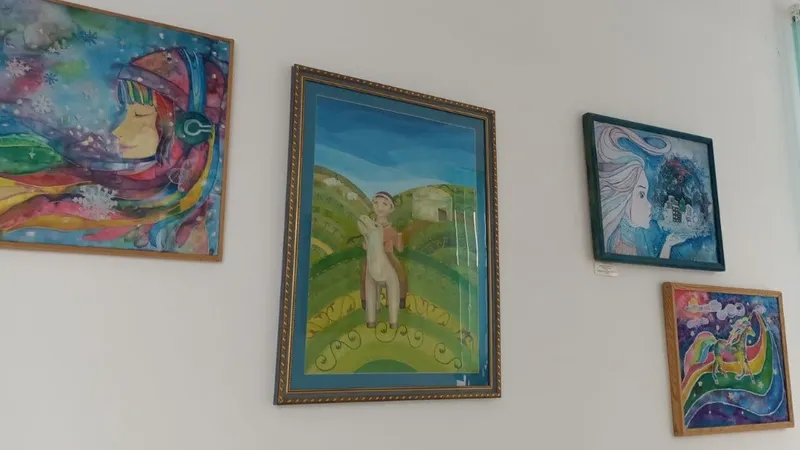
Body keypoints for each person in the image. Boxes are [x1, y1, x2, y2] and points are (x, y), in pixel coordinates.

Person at [0, 48, 227, 254]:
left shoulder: (187, 230)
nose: (119, 131)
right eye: (127, 115)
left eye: (140, 116)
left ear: (188, 130)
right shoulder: (117, 181)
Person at [596, 124, 686, 259]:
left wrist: (667, 245)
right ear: (624, 198)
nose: (649, 205)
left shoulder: (631, 241)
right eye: (641, 195)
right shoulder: (620, 247)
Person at [360, 191, 408, 311]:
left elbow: (400, 248)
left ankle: (401, 298)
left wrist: (398, 237)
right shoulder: (370, 226)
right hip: (373, 255)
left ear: (391, 208)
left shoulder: (391, 229)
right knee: (365, 271)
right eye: (376, 203)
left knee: (399, 270)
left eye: (384, 204)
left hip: (388, 254)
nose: (380, 207)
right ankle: (366, 300)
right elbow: (365, 246)